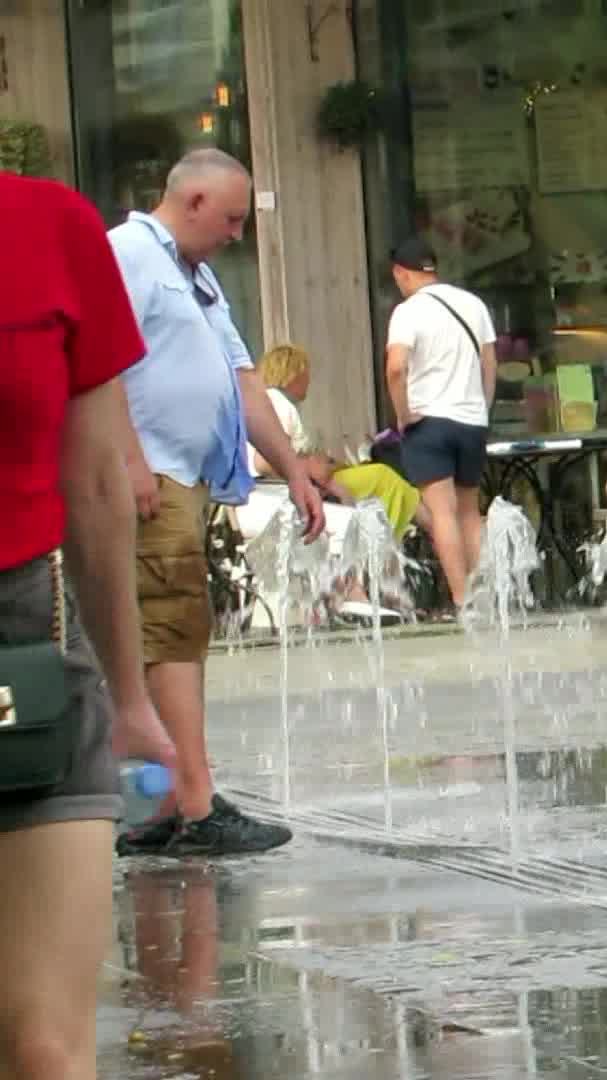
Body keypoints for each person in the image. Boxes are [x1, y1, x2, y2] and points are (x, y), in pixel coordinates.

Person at [0, 171, 179, 1077]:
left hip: (26, 652)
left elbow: (101, 482)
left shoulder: (48, 225)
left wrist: (132, 695)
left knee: (44, 1049)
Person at [113, 149, 319, 858]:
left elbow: (243, 380)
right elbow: (98, 363)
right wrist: (130, 460)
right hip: (152, 476)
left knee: (177, 628)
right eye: (231, 218)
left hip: (184, 477)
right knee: (171, 628)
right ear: (193, 201)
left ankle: (174, 799)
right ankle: (196, 804)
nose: (237, 233)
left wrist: (292, 469)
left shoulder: (194, 276)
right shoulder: (129, 255)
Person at [235, 344, 425, 618]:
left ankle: (342, 597)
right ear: (295, 374)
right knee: (346, 521)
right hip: (265, 500)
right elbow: (264, 462)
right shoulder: (278, 403)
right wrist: (306, 467)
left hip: (251, 502)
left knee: (329, 522)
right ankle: (347, 598)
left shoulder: (263, 402)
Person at [385, 236, 496, 608]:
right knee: (470, 512)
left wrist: (403, 415)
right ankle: (485, 598)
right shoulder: (473, 305)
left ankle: (463, 599)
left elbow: (396, 368)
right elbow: (489, 364)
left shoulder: (408, 312)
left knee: (442, 513)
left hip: (428, 421)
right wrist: (482, 408)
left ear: (401, 273)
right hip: (471, 421)